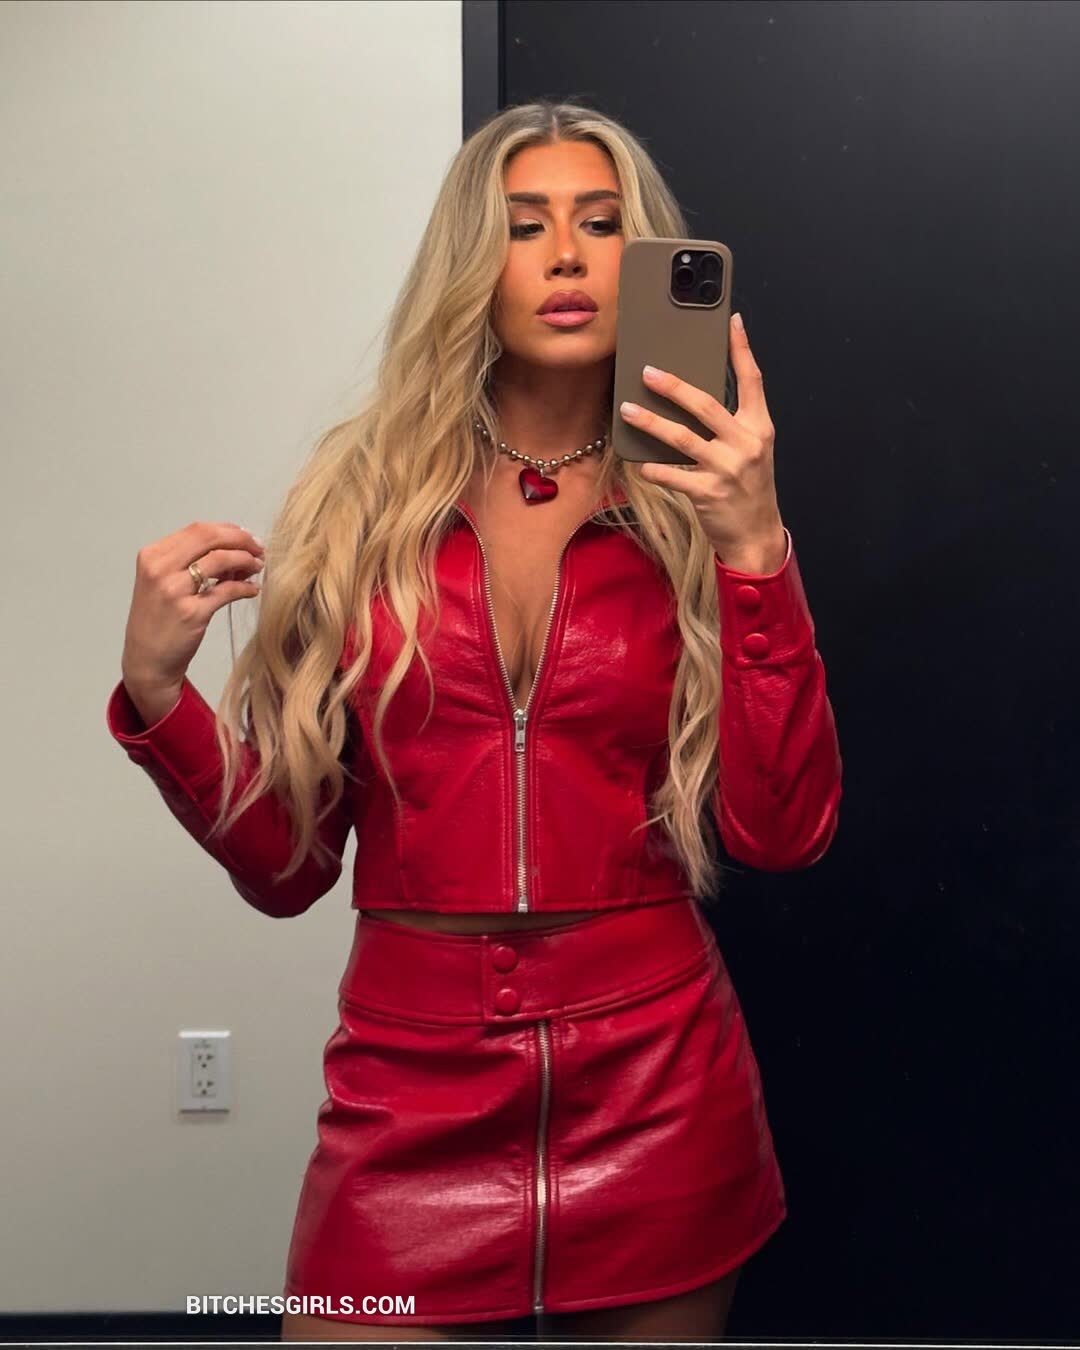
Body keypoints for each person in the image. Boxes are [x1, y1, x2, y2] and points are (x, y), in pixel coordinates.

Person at [106, 100, 842, 1343]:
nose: (565, 256)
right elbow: (289, 869)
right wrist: (160, 697)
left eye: (600, 224)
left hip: (656, 1089)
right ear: (470, 262)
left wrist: (757, 547)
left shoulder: (696, 507)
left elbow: (782, 832)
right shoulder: (362, 503)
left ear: (642, 260)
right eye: (524, 225)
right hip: (410, 1083)